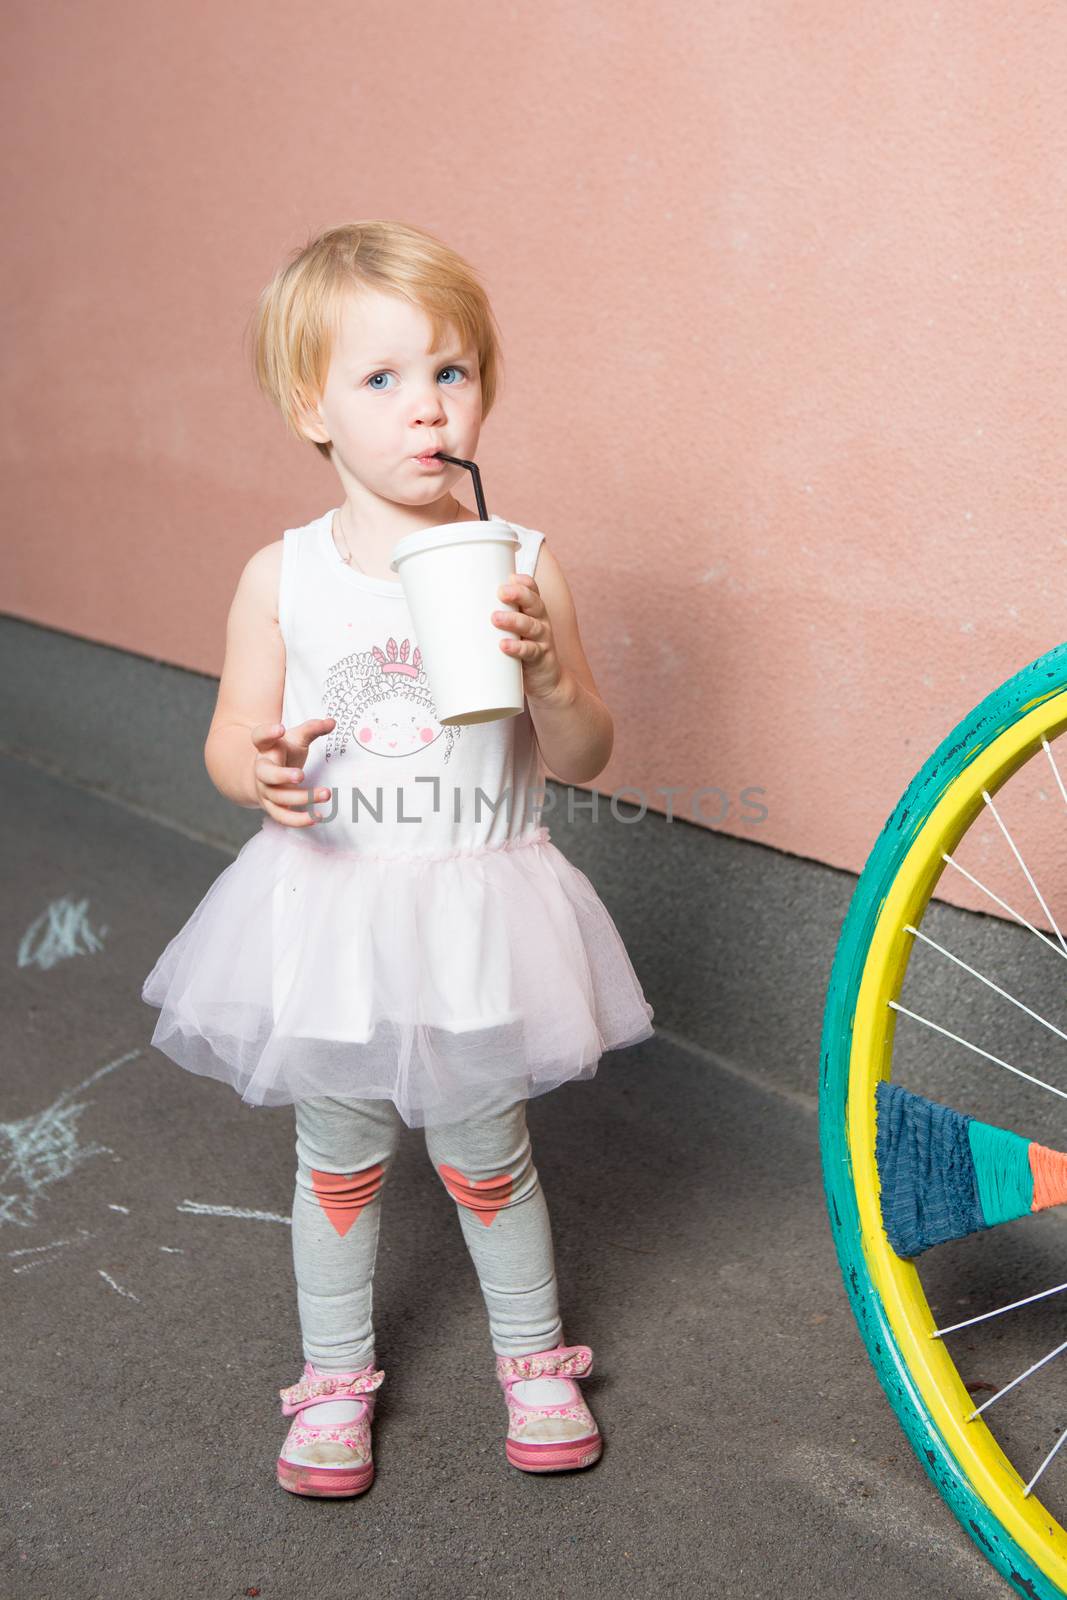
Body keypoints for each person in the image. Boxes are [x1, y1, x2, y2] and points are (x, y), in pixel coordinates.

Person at [141, 219, 655, 1499]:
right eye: (381, 380)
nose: (425, 408)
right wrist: (254, 773)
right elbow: (228, 736)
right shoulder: (284, 575)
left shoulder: (522, 562)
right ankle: (331, 1376)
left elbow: (585, 750)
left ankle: (533, 1358)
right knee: (340, 1153)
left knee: (489, 1153)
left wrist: (544, 670)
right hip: (330, 910)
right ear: (308, 405)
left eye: (451, 372)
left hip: (476, 903)